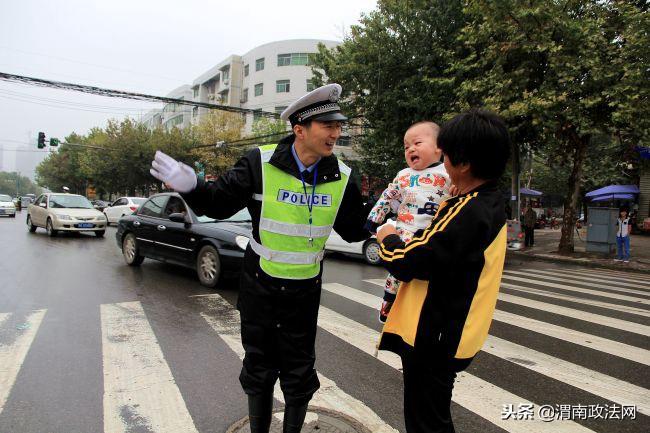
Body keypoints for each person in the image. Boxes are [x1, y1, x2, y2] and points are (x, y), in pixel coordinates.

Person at [149, 83, 370, 433]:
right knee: (260, 368)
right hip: (260, 286)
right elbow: (219, 204)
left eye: (338, 125)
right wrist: (191, 187)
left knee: (299, 372)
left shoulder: (342, 176)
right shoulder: (260, 162)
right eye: (328, 126)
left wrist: (387, 217)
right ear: (300, 129)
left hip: (305, 291)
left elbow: (355, 230)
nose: (336, 133)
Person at [376, 108, 510, 433]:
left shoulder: (470, 209)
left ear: (462, 163)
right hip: (451, 332)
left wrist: (387, 234)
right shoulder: (484, 202)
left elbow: (412, 261)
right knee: (433, 415)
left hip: (436, 337)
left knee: (426, 421)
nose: (443, 161)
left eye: (446, 154)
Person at [366, 121, 451, 322]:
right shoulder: (403, 175)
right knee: (395, 274)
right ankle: (388, 305)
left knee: (428, 280)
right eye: (406, 147)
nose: (410, 149)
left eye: (417, 143)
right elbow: (388, 197)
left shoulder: (447, 173)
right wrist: (374, 220)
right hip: (403, 233)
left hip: (431, 236)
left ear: (439, 147)